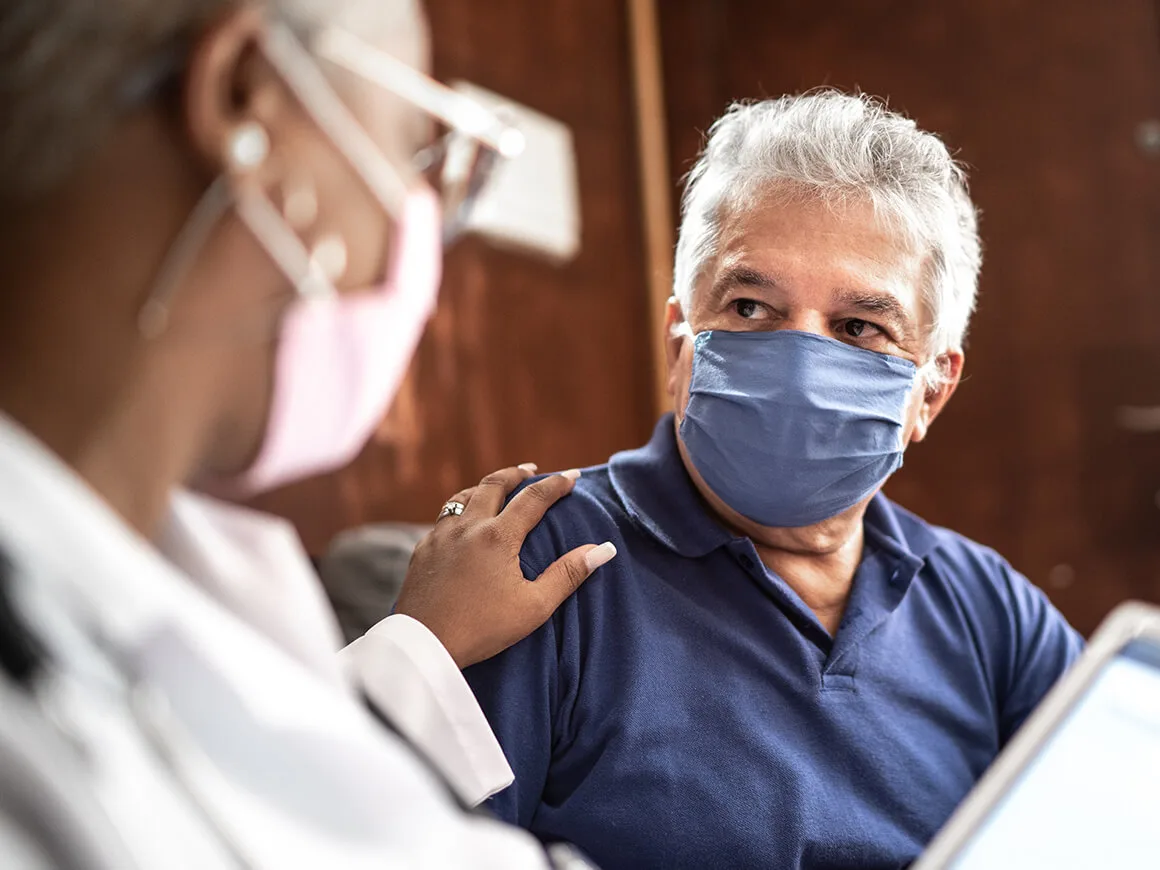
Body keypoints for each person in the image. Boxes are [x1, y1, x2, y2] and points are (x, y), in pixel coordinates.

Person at [0, 0, 616, 866]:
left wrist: (420, 648)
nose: (412, 231)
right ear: (249, 96)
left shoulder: (186, 584)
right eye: (412, 145)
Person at [463, 92, 1085, 870]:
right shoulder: (539, 555)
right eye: (751, 306)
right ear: (677, 345)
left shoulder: (989, 609)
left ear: (931, 391)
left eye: (859, 328)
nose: (801, 361)